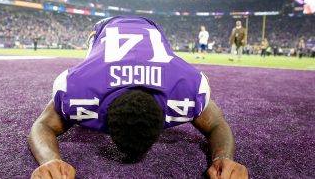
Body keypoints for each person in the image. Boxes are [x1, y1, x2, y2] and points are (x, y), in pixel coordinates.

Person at [28, 16, 248, 179]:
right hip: (105, 28)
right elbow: (216, 122)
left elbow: (43, 125)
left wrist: (224, 159)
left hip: (150, 27)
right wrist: (223, 158)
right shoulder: (186, 88)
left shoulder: (79, 89)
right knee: (92, 57)